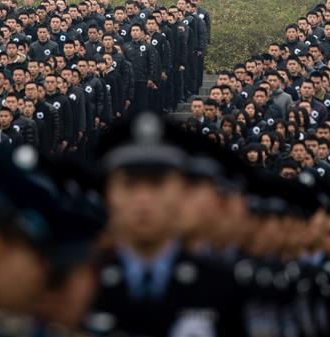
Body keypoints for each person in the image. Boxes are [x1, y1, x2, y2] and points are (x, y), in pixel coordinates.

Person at [87, 113, 244, 337]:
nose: (143, 199)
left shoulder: (220, 287)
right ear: (108, 193)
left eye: (157, 183)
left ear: (182, 191)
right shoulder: (82, 287)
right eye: (129, 184)